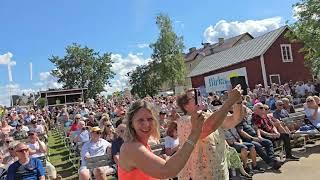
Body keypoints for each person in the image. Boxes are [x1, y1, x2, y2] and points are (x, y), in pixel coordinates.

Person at [118, 100, 205, 180]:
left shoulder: (142, 144)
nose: (146, 124)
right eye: (140, 120)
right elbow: (167, 171)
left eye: (150, 119)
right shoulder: (131, 148)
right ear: (131, 124)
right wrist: (194, 133)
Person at [176, 86, 242, 180]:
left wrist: (238, 101)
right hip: (198, 176)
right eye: (195, 96)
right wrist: (229, 101)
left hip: (219, 173)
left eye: (200, 95)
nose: (200, 97)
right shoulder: (184, 121)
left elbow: (235, 119)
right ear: (185, 106)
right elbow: (207, 128)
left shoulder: (209, 115)